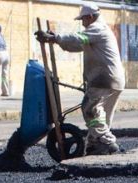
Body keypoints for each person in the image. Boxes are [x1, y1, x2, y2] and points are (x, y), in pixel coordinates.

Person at [36, 3, 125, 155]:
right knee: (100, 116)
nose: (82, 23)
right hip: (113, 79)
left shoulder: (97, 29)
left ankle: (108, 142)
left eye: (83, 20)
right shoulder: (98, 31)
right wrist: (55, 39)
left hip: (103, 79)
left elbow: (78, 39)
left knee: (89, 109)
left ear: (90, 17)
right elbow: (76, 45)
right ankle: (93, 145)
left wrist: (55, 38)